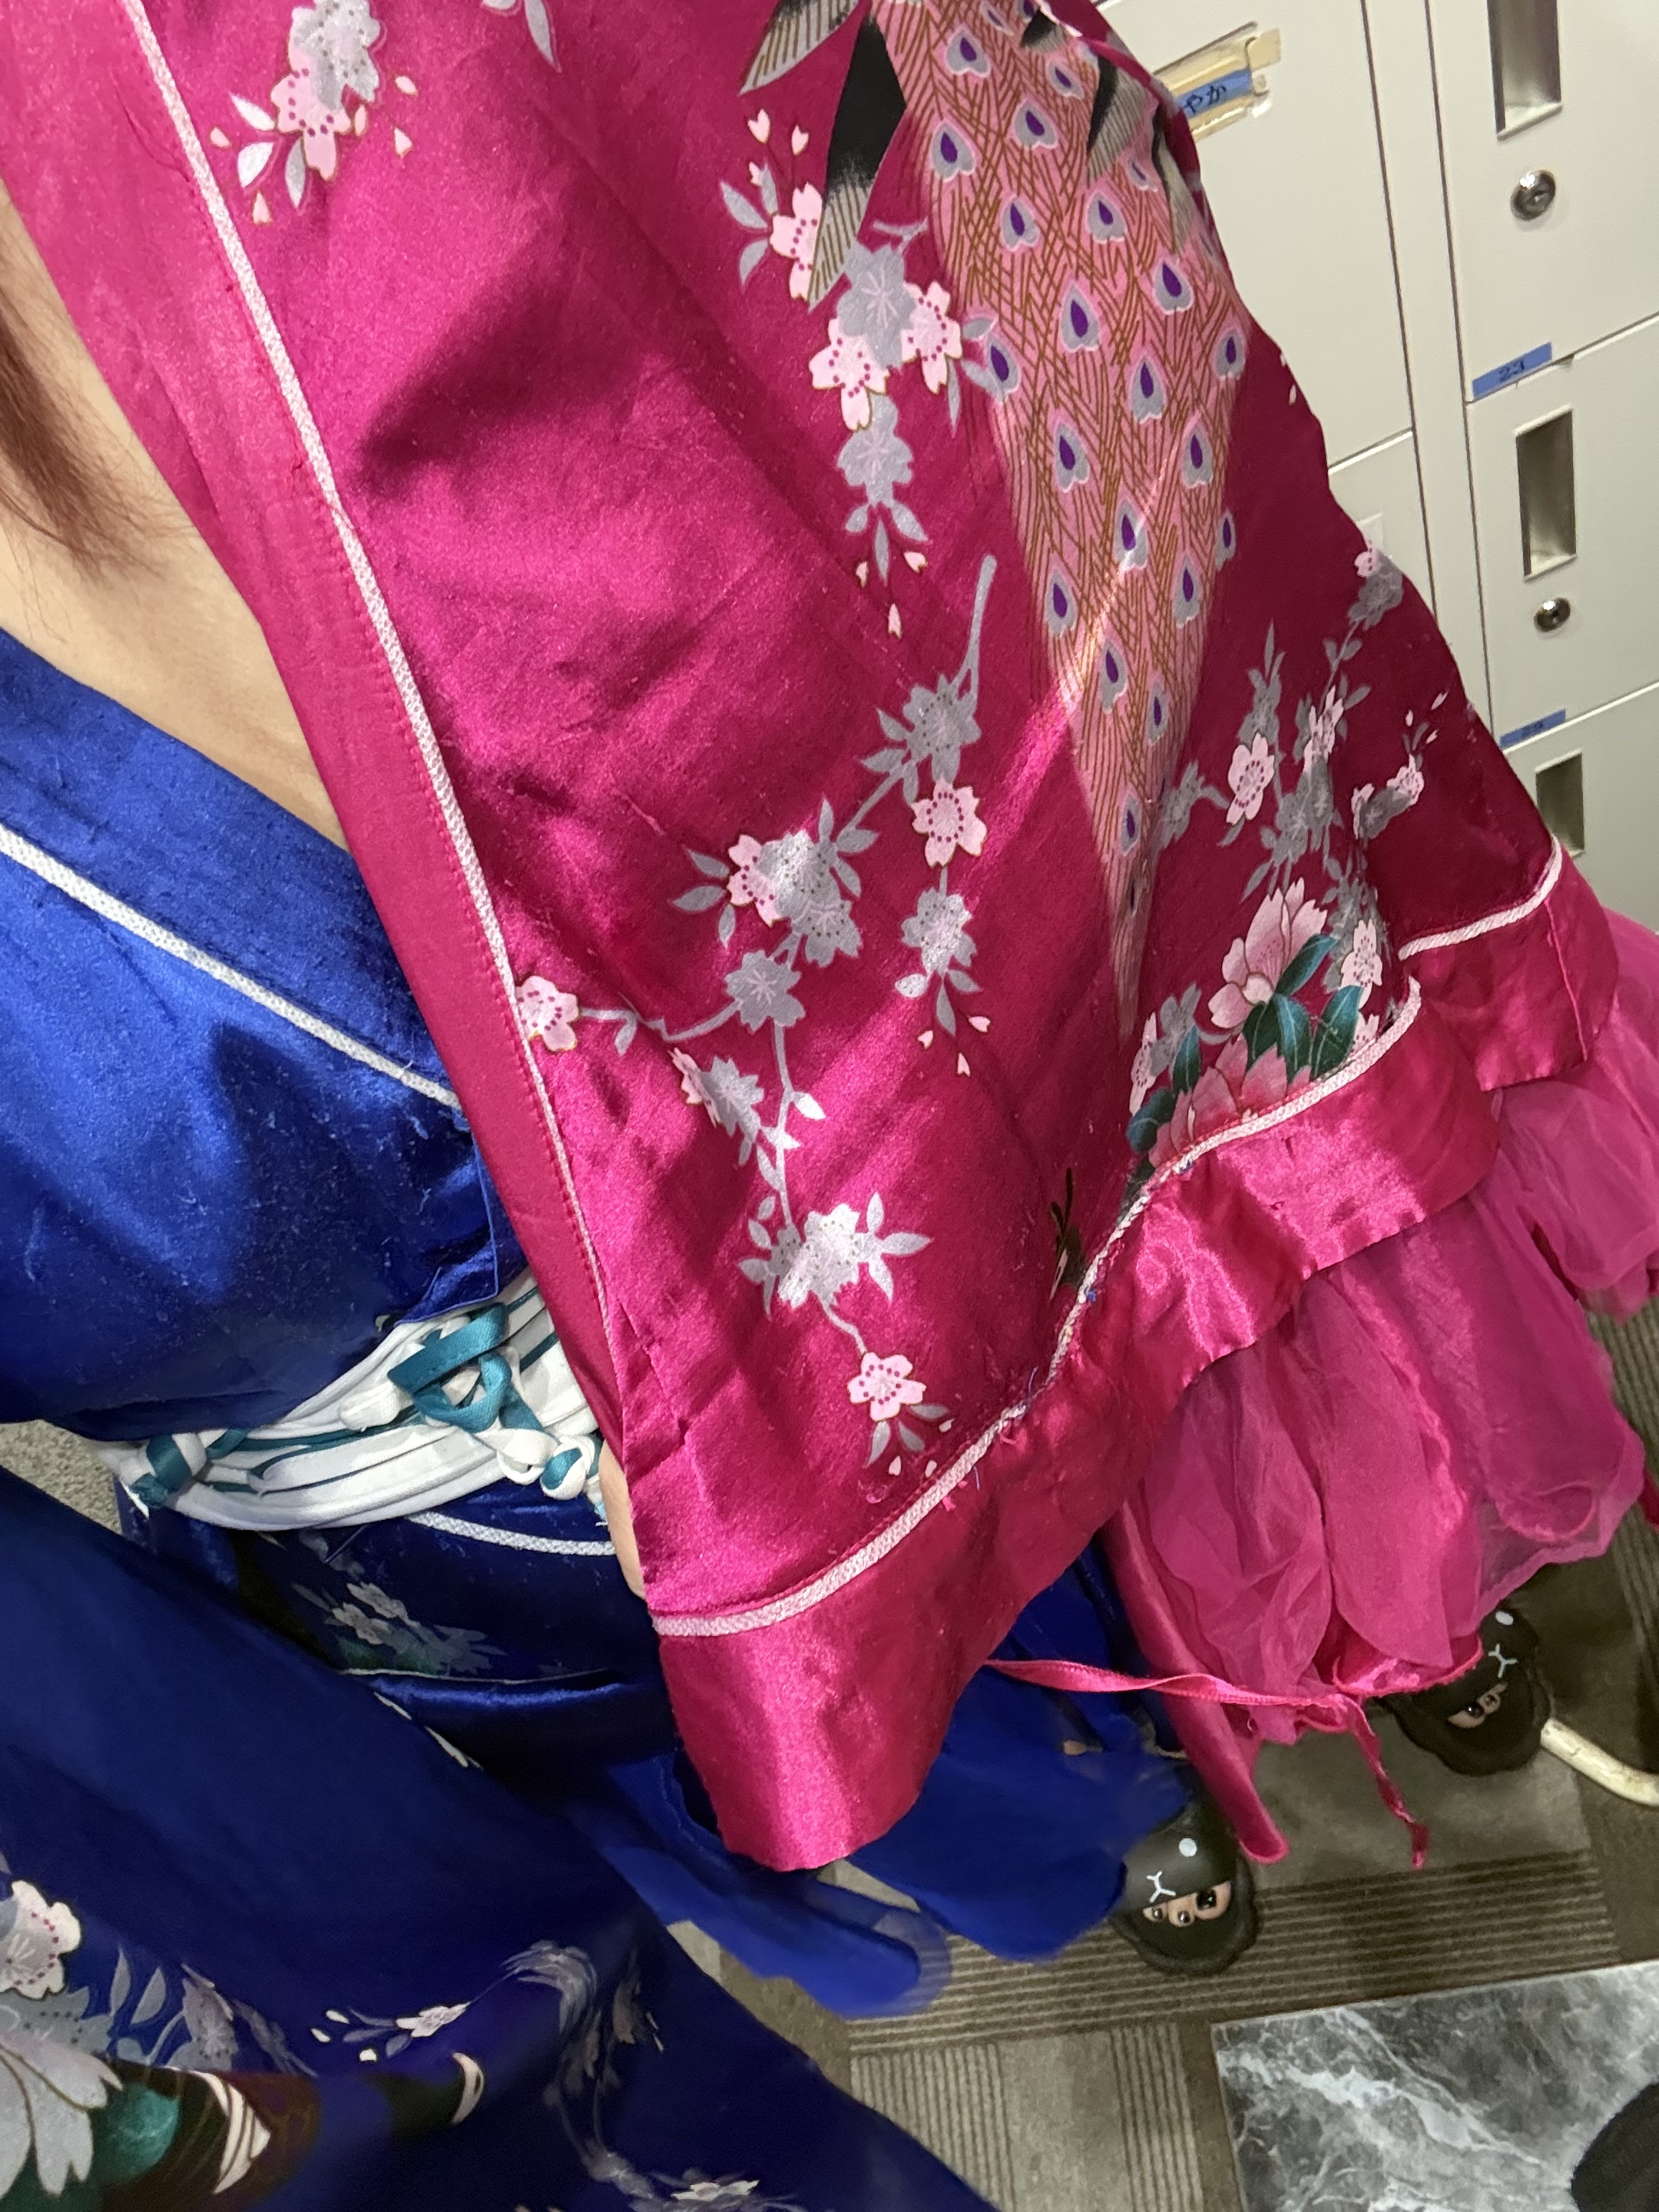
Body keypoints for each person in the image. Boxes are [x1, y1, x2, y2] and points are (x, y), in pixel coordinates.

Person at [1, 0, 1657, 2197]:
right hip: (502, 1524)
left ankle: (1379, 1589)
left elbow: (1016, 304)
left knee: (1231, 1415)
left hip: (1009, 1076)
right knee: (972, 1755)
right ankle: (1132, 1809)